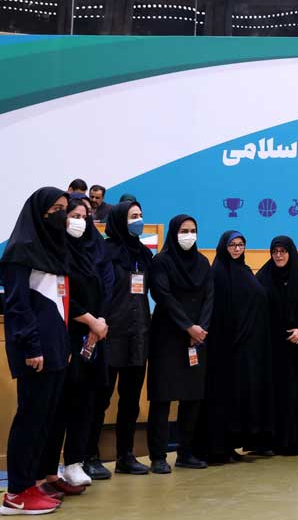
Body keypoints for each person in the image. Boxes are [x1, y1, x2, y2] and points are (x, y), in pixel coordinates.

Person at [1, 188, 70, 515]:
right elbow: (17, 305)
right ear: (39, 212)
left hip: (55, 347)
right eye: (56, 209)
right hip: (35, 350)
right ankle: (15, 492)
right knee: (29, 419)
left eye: (64, 208)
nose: (62, 215)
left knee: (45, 419)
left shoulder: (54, 249)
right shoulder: (20, 251)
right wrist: (31, 347)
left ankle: (31, 484)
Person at [38, 197, 111, 491]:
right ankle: (48, 469)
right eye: (74, 215)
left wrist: (99, 322)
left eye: (84, 216)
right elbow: (62, 297)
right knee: (60, 406)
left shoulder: (91, 253)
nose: (79, 221)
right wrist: (90, 321)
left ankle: (75, 463)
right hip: (66, 335)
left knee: (86, 402)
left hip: (93, 337)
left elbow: (103, 291)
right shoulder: (55, 252)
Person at [86, 201, 152, 476]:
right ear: (119, 220)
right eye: (133, 216)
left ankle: (126, 455)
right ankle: (89, 456)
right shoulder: (104, 251)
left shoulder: (144, 254)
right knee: (100, 398)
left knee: (131, 400)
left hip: (138, 334)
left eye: (140, 215)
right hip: (110, 333)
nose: (139, 220)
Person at [196, 231, 274, 463]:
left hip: (246, 349)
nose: (237, 249)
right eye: (232, 245)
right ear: (224, 247)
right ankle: (217, 449)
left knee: (237, 400)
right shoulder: (218, 273)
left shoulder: (245, 270)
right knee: (222, 398)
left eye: (241, 245)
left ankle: (230, 446)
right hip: (225, 347)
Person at [146, 214, 212, 474]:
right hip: (167, 336)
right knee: (162, 398)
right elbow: (163, 295)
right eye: (184, 231)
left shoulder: (203, 262)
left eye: (193, 230)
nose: (189, 235)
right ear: (174, 233)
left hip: (197, 338)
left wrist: (200, 328)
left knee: (192, 397)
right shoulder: (161, 262)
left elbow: (209, 297)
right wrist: (187, 326)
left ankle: (186, 453)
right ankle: (158, 456)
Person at [256, 236, 298, 456]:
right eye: (275, 251)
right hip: (270, 348)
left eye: (283, 251)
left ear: (291, 253)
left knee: (295, 394)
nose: (279, 255)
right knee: (272, 395)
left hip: (297, 348)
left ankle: (296, 441)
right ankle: (269, 442)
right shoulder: (262, 278)